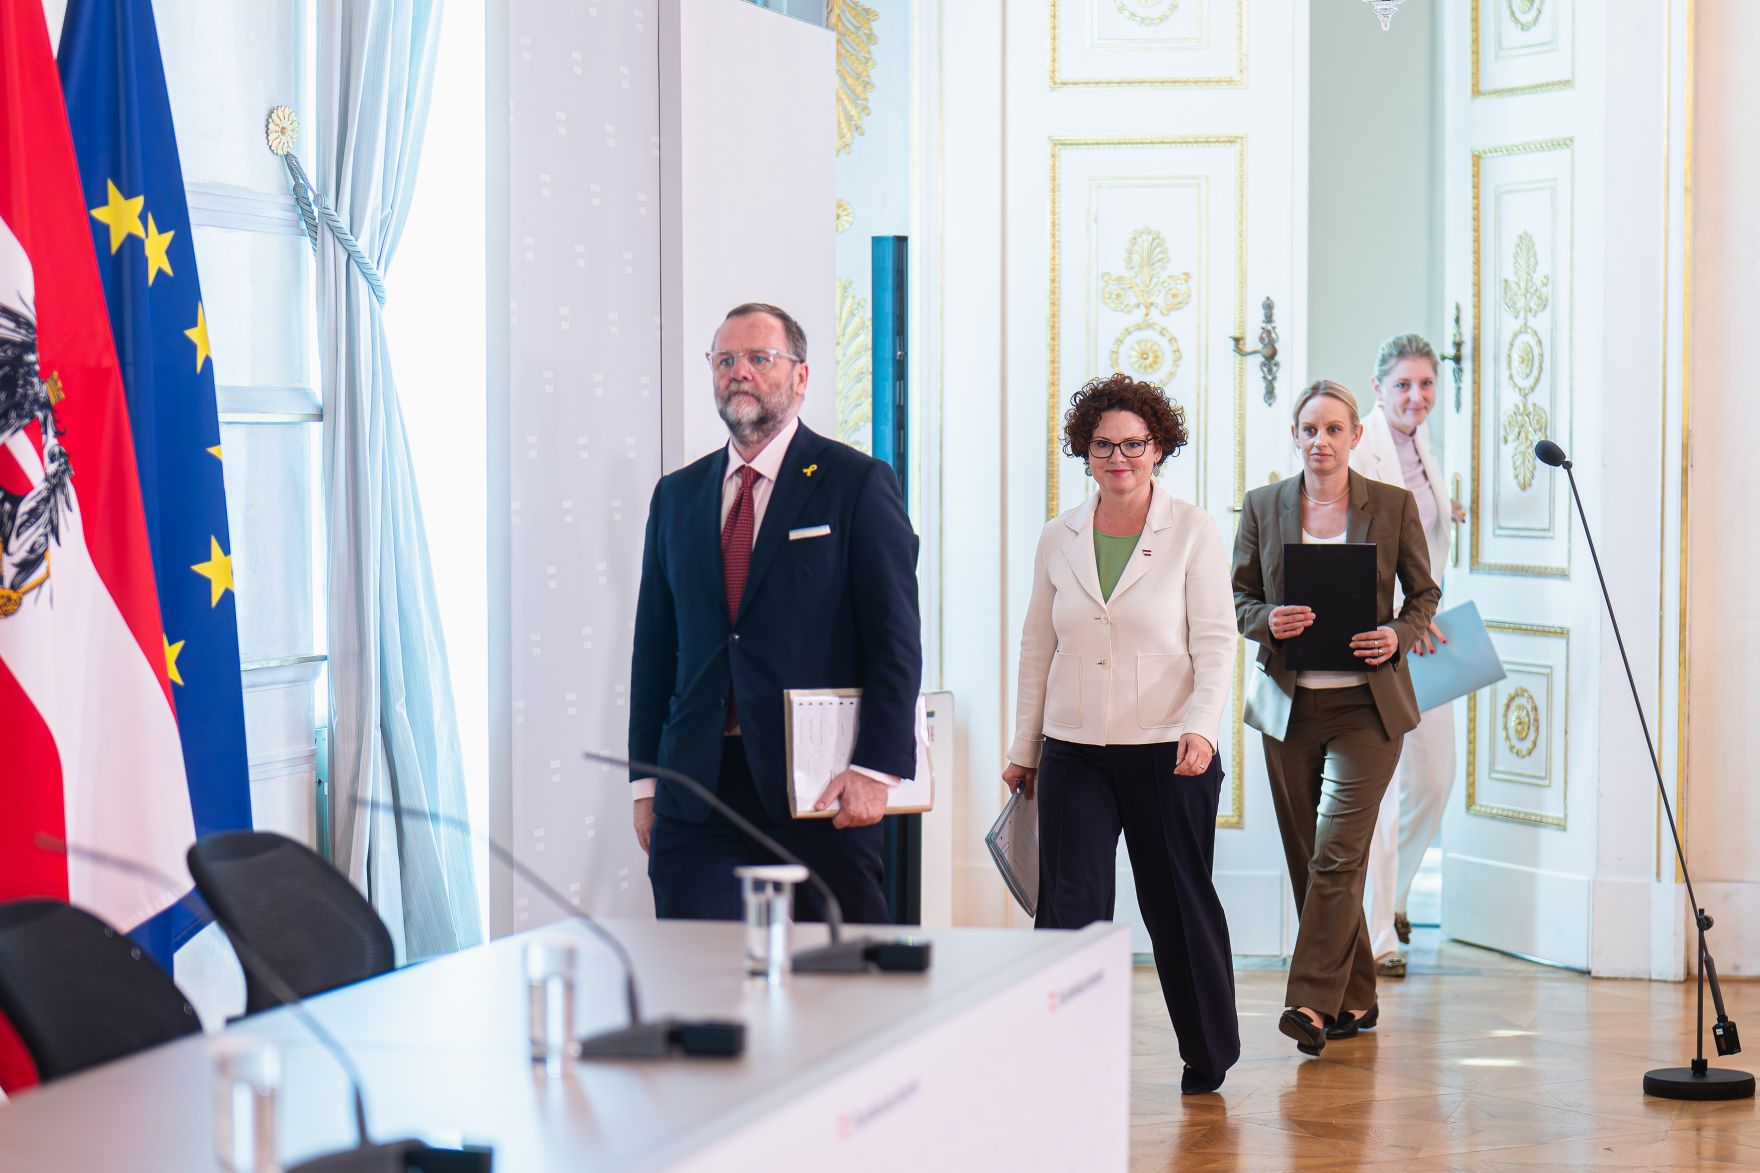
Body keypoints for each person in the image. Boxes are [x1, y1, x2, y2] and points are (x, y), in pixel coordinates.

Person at [628, 302, 922, 922]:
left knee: (839, 969)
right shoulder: (676, 496)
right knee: (696, 970)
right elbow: (653, 648)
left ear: (800, 376)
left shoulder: (855, 483)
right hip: (695, 793)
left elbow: (895, 640)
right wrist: (647, 783)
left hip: (819, 788)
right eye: (725, 360)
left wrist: (876, 768)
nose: (740, 372)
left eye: (760, 358)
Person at [1004, 373, 1240, 1095]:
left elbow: (1216, 641)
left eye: (1134, 444)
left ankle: (1208, 1051)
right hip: (1074, 750)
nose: (1119, 458)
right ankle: (1064, 1054)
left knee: (1175, 903)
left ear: (1159, 447)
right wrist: (1024, 748)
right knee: (1069, 908)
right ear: (1085, 451)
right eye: (1104, 445)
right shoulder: (1059, 536)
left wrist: (1203, 728)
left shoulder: (1193, 530)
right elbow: (1037, 647)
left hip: (1170, 750)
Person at [1231, 380, 1439, 1057]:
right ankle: (1356, 992)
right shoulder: (1263, 505)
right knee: (1311, 857)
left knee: (1339, 851)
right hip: (1287, 706)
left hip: (1367, 709)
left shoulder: (1393, 505)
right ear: (1294, 436)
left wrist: (1397, 635)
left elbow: (1424, 594)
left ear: (1355, 435)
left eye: (1333, 429)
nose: (1320, 441)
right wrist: (1268, 620)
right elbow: (1240, 596)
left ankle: (1309, 1003)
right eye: (1309, 429)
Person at [1351, 334, 1465, 979]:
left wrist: (1446, 511)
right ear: (1378, 388)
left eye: (1425, 384)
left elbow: (1418, 536)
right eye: (1402, 385)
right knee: (1385, 793)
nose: (1416, 396)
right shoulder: (1359, 447)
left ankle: (1392, 899)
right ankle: (1376, 941)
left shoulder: (1425, 447)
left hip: (1426, 631)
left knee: (1436, 778)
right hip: (1380, 635)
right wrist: (1401, 619)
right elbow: (1355, 545)